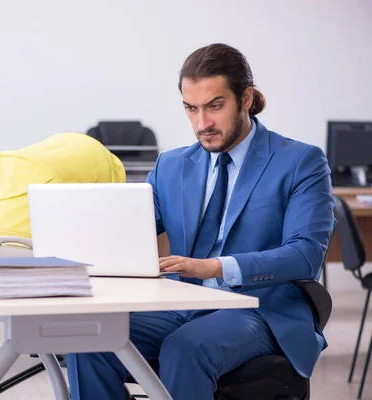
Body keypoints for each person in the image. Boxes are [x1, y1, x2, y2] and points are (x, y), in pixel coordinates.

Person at [66, 43, 335, 399]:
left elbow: (305, 255)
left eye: (215, 106)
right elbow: (127, 233)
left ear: (247, 99)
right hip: (182, 304)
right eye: (191, 109)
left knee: (185, 347)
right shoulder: (171, 166)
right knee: (89, 336)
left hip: (262, 308)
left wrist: (214, 267)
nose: (201, 123)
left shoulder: (301, 161)